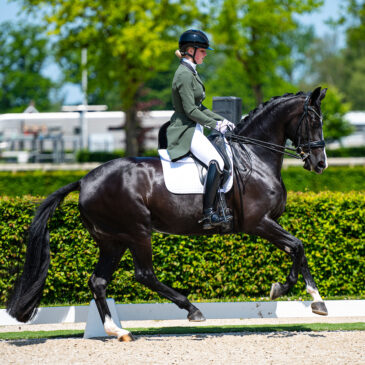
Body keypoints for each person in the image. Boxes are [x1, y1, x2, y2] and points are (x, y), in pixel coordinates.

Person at [166, 29, 235, 230]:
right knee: (217, 161)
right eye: (203, 51)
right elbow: (189, 110)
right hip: (184, 130)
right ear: (190, 50)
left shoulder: (190, 72)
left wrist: (224, 121)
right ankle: (208, 215)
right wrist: (215, 125)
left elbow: (200, 107)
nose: (205, 54)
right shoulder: (184, 75)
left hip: (194, 127)